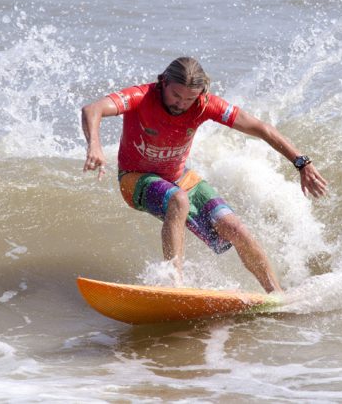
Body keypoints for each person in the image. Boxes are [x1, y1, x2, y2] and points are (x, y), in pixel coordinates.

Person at [81, 57, 327, 293]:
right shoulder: (141, 96)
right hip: (135, 179)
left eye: (189, 98)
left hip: (179, 176)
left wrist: (301, 163)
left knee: (235, 228)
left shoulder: (205, 105)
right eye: (176, 95)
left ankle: (276, 294)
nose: (181, 103)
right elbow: (93, 109)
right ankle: (173, 285)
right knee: (178, 199)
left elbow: (261, 129)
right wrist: (95, 145)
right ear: (163, 82)